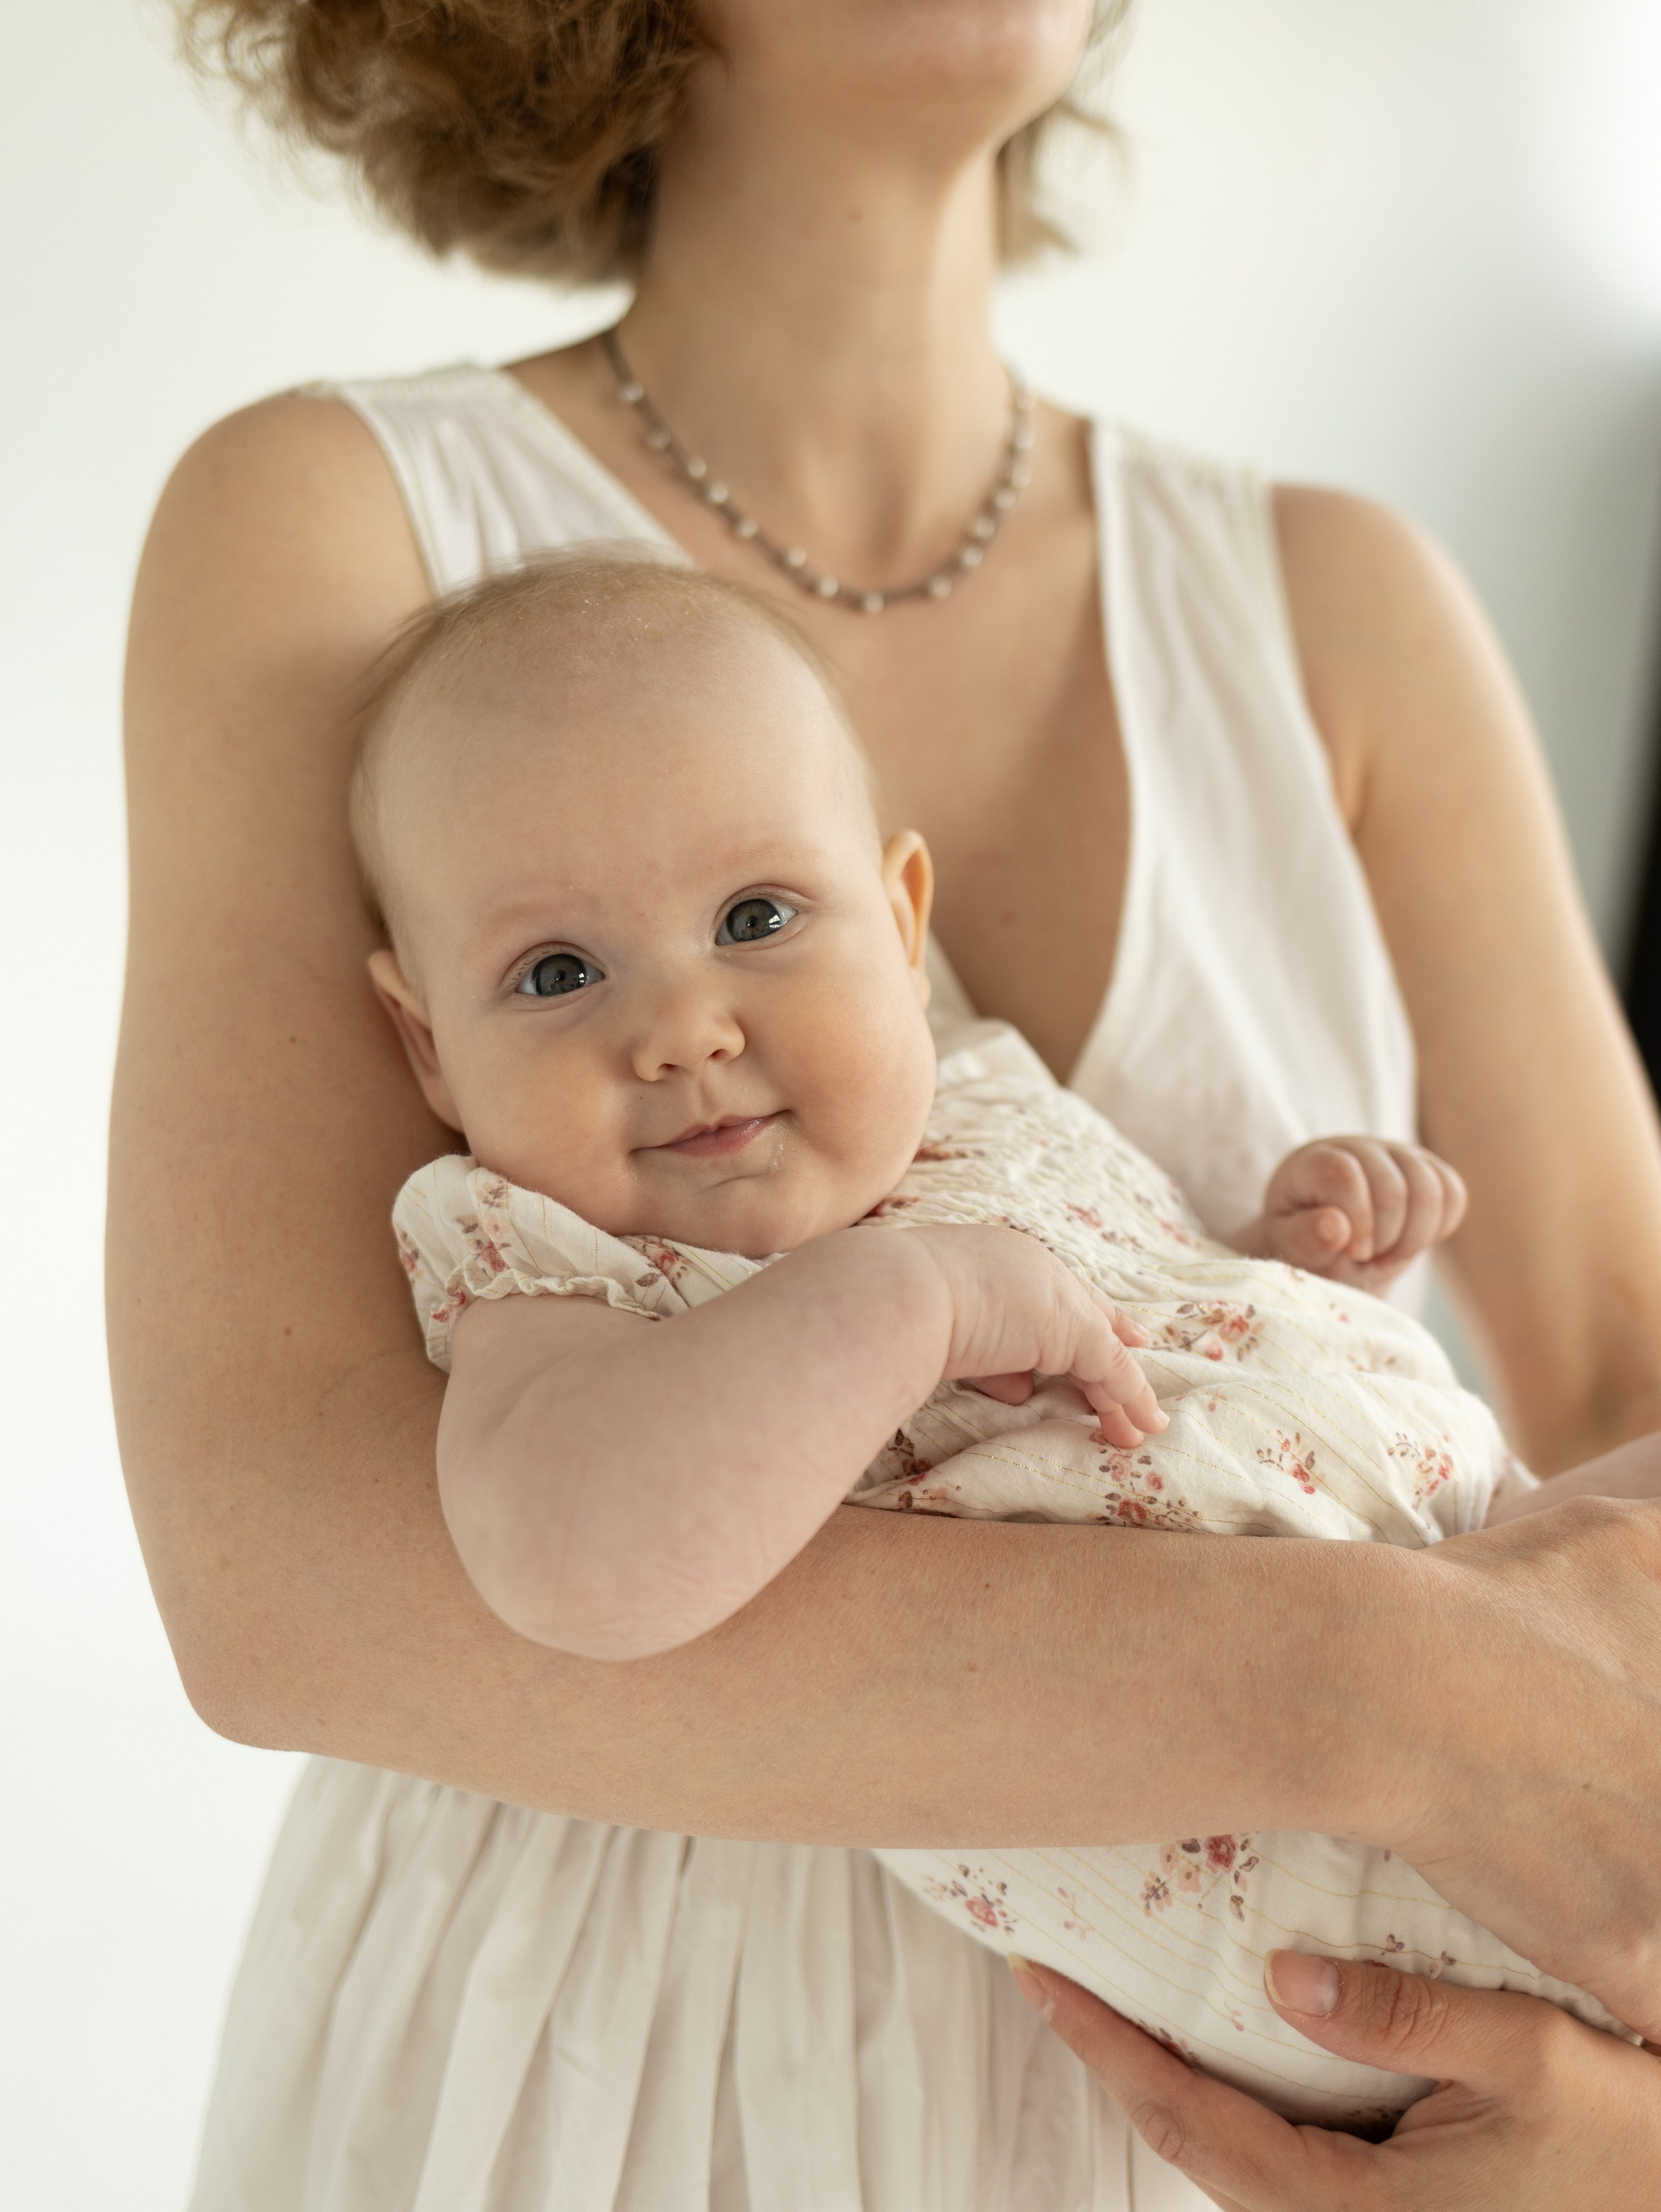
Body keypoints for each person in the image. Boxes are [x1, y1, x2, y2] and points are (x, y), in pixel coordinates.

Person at [110, 0, 1661, 2203]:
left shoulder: (1343, 607)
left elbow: (1621, 1395)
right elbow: (287, 1582)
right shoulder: (342, 528)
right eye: (563, 972)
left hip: (1307, 2079)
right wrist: (1388, 1687)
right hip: (588, 2075)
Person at [363, 546, 1622, 2129]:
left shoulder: (973, 1099)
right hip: (1290, 1853)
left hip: (1478, 1576)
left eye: (755, 915)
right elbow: (572, 1567)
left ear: (899, 922)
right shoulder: (553, 1269)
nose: (682, 1025)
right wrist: (913, 1304)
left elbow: (1149, 1387)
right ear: (427, 1041)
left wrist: (1285, 1276)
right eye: (555, 972)